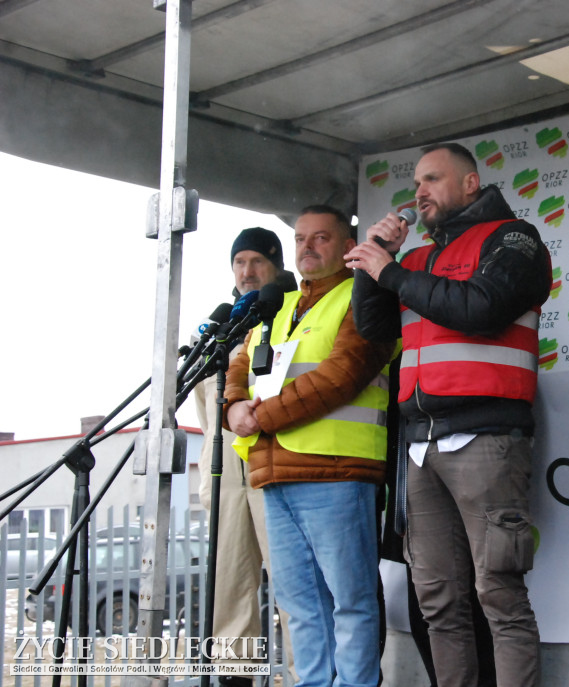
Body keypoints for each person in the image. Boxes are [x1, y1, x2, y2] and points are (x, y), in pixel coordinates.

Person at [344, 142, 550, 687]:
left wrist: (390, 272)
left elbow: (480, 310)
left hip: (487, 439)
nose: (419, 193)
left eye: (432, 180)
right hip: (420, 444)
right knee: (439, 602)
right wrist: (375, 258)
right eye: (416, 183)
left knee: (499, 595)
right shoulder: (412, 259)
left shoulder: (514, 238)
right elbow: (373, 327)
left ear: (469, 183)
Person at [225, 206, 396, 687]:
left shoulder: (364, 295)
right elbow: (240, 367)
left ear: (346, 246)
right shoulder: (277, 303)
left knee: (351, 599)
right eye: (300, 238)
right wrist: (233, 405)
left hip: (338, 473)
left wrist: (258, 417)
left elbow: (340, 377)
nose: (306, 247)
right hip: (274, 476)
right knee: (299, 605)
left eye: (321, 238)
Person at [194, 227, 295, 686]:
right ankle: (234, 677)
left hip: (281, 463)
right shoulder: (224, 325)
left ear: (276, 264)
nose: (248, 271)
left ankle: (305, 675)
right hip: (224, 474)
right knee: (229, 587)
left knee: (295, 589)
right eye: (240, 263)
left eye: (257, 261)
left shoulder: (296, 309)